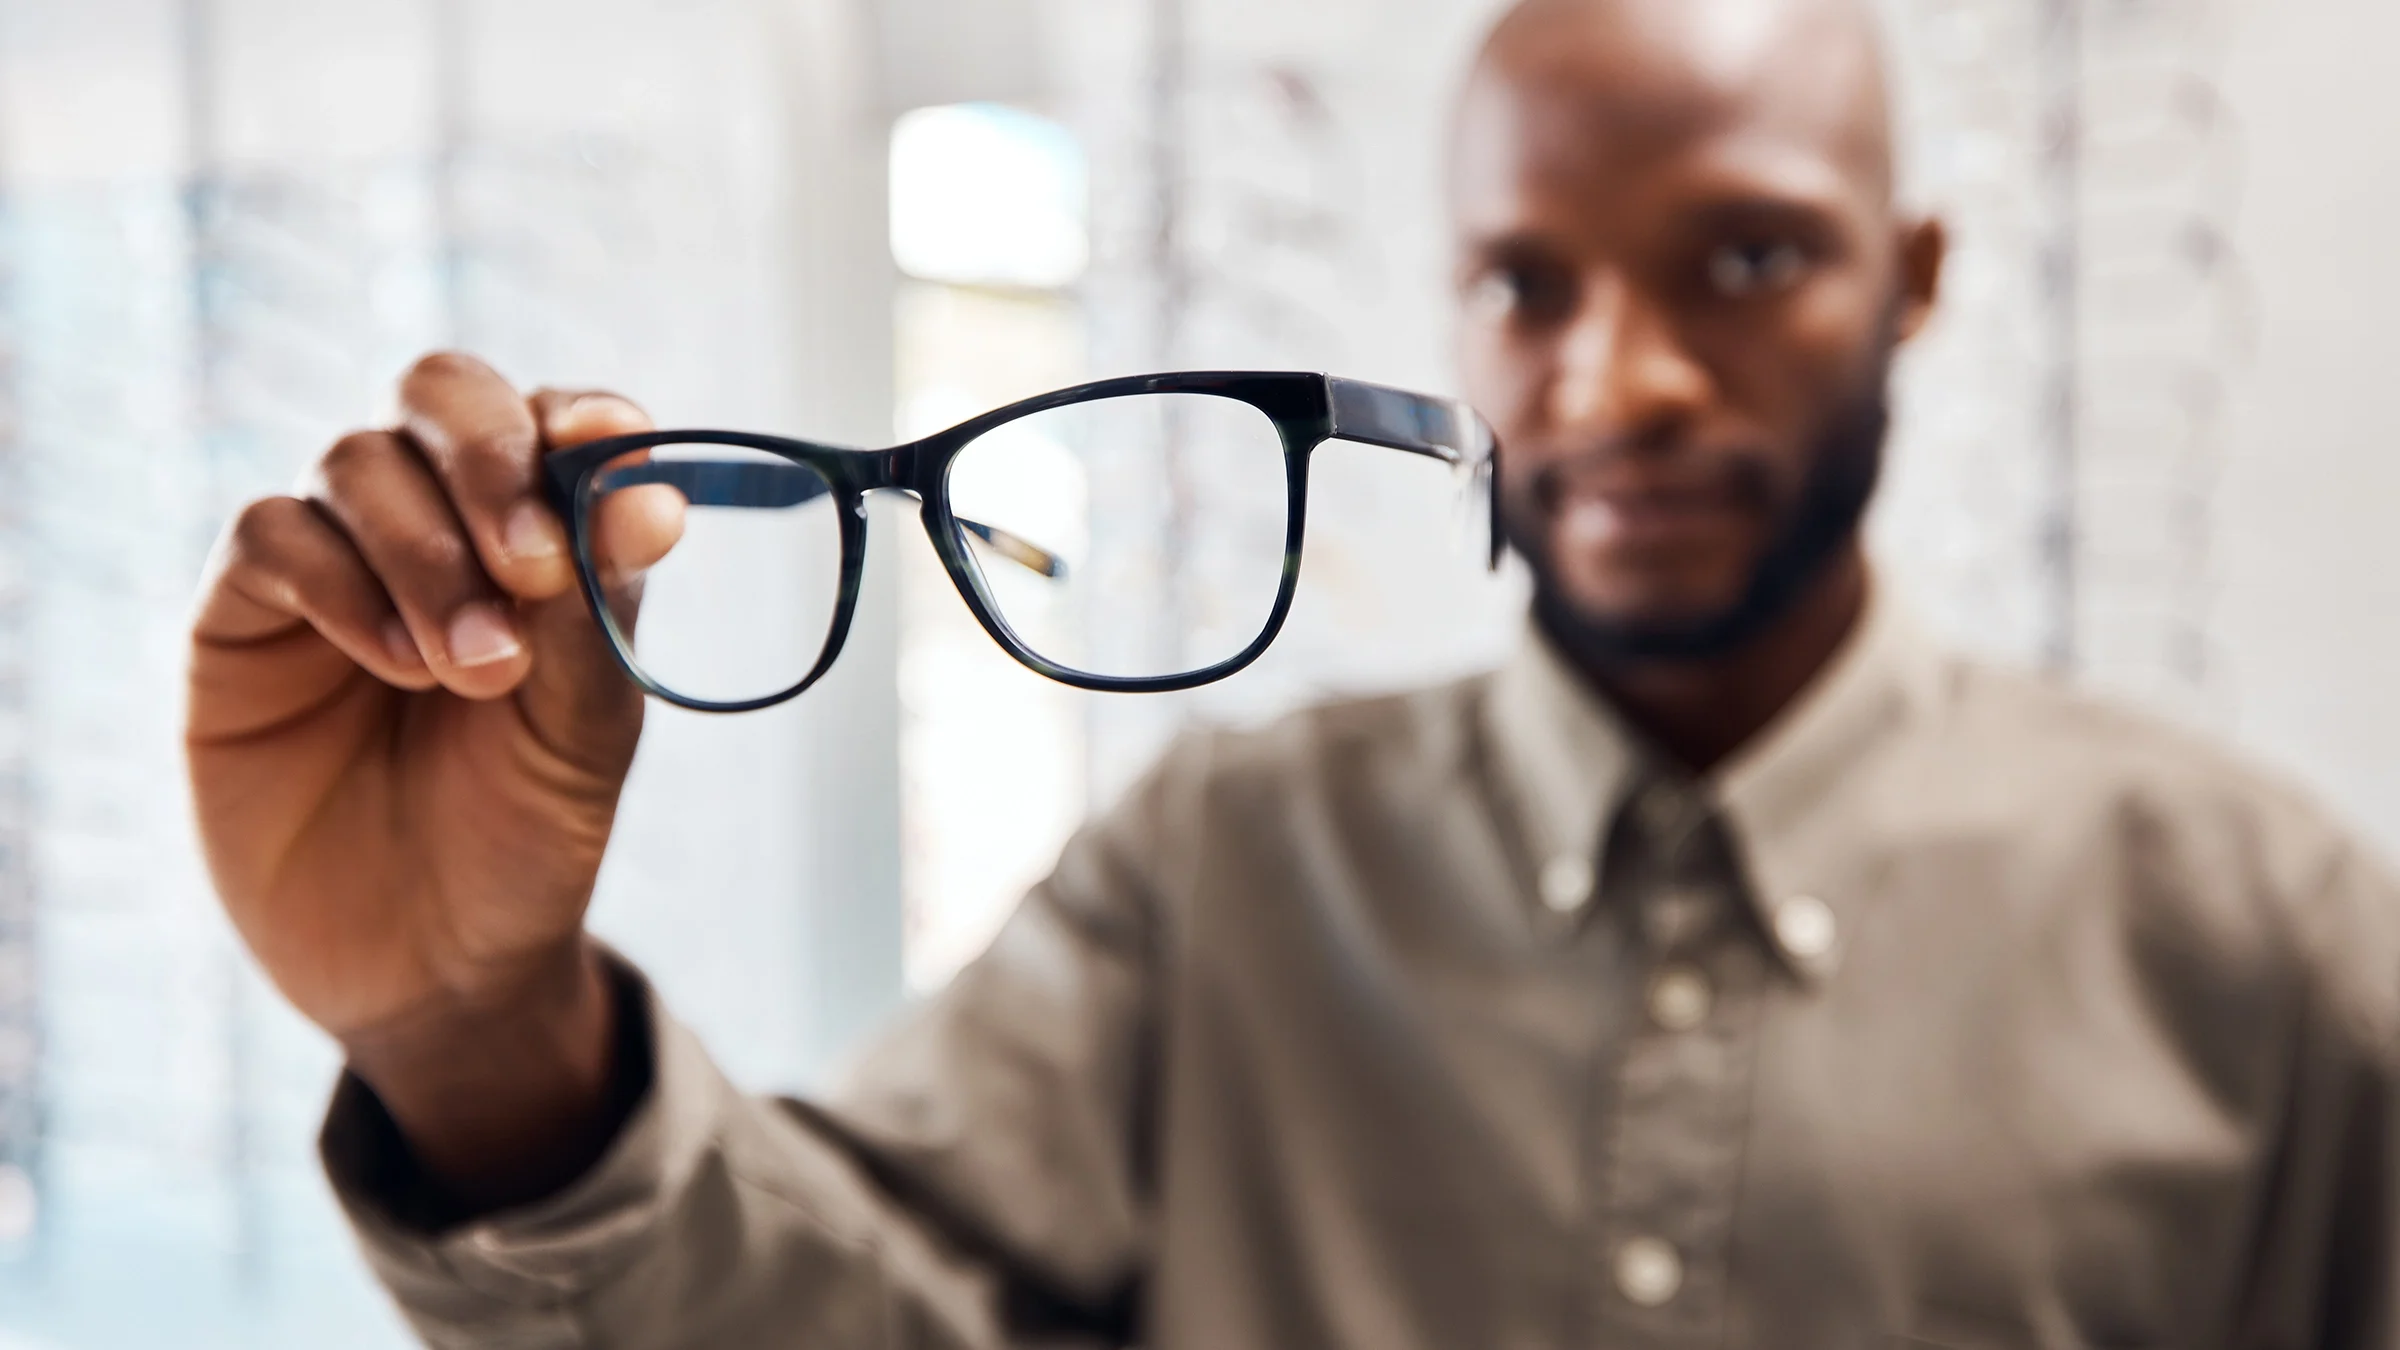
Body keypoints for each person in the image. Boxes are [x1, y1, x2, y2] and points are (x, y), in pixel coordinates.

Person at [184, 0, 2400, 1344]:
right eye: (1527, 286)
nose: (1614, 378)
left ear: (1907, 280)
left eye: (1744, 258)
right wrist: (481, 1034)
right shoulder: (1224, 874)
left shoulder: (2264, 942)